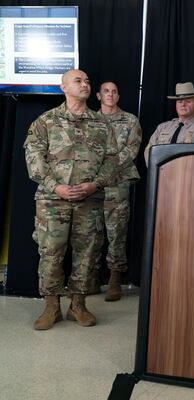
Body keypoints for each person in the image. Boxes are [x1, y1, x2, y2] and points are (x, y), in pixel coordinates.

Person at [24, 69, 118, 330]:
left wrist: (94, 184)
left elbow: (113, 162)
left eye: (88, 80)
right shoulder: (46, 121)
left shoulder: (103, 124)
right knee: (51, 252)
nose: (85, 84)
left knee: (87, 253)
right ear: (63, 87)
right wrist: (56, 187)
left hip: (90, 200)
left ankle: (78, 304)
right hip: (52, 201)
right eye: (78, 80)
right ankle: (51, 306)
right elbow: (34, 159)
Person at [96, 81, 142, 301]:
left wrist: (107, 169)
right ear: (98, 95)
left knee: (117, 231)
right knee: (90, 231)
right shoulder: (90, 119)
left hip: (118, 182)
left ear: (118, 96)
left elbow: (131, 150)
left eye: (114, 91)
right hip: (91, 183)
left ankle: (115, 278)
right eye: (106, 91)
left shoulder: (130, 120)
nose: (110, 94)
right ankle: (90, 277)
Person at [144, 82, 194, 164]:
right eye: (179, 102)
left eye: (188, 101)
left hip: (187, 174)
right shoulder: (162, 127)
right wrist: (156, 168)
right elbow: (149, 151)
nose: (183, 104)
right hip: (161, 173)